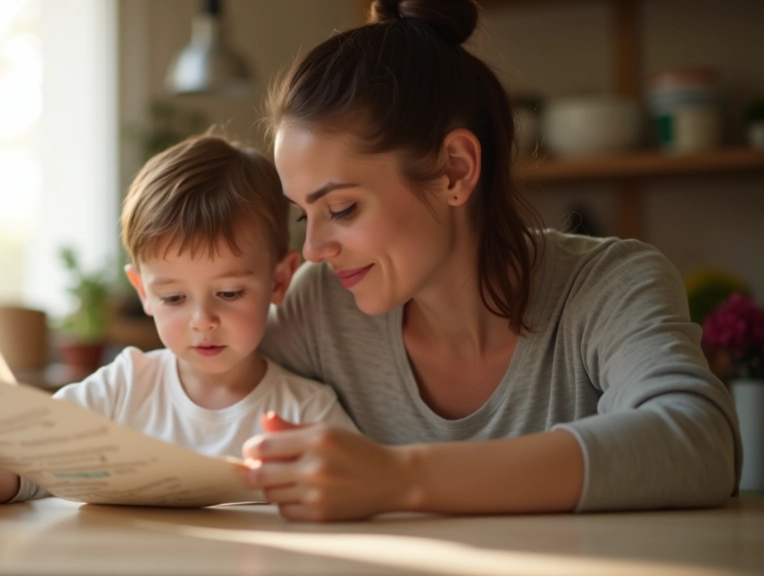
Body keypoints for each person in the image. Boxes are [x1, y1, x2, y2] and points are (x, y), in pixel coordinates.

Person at [239, 0, 741, 521]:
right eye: (304, 215)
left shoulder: (608, 286)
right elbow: (198, 387)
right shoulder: (320, 307)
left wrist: (399, 479)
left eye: (341, 208)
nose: (315, 249)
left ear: (454, 171)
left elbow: (699, 440)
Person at [0, 134, 356, 505]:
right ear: (142, 292)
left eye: (229, 293)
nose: (202, 320)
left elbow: (354, 507)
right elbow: (22, 472)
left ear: (280, 281)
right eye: (173, 298)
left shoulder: (308, 413)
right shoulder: (124, 386)